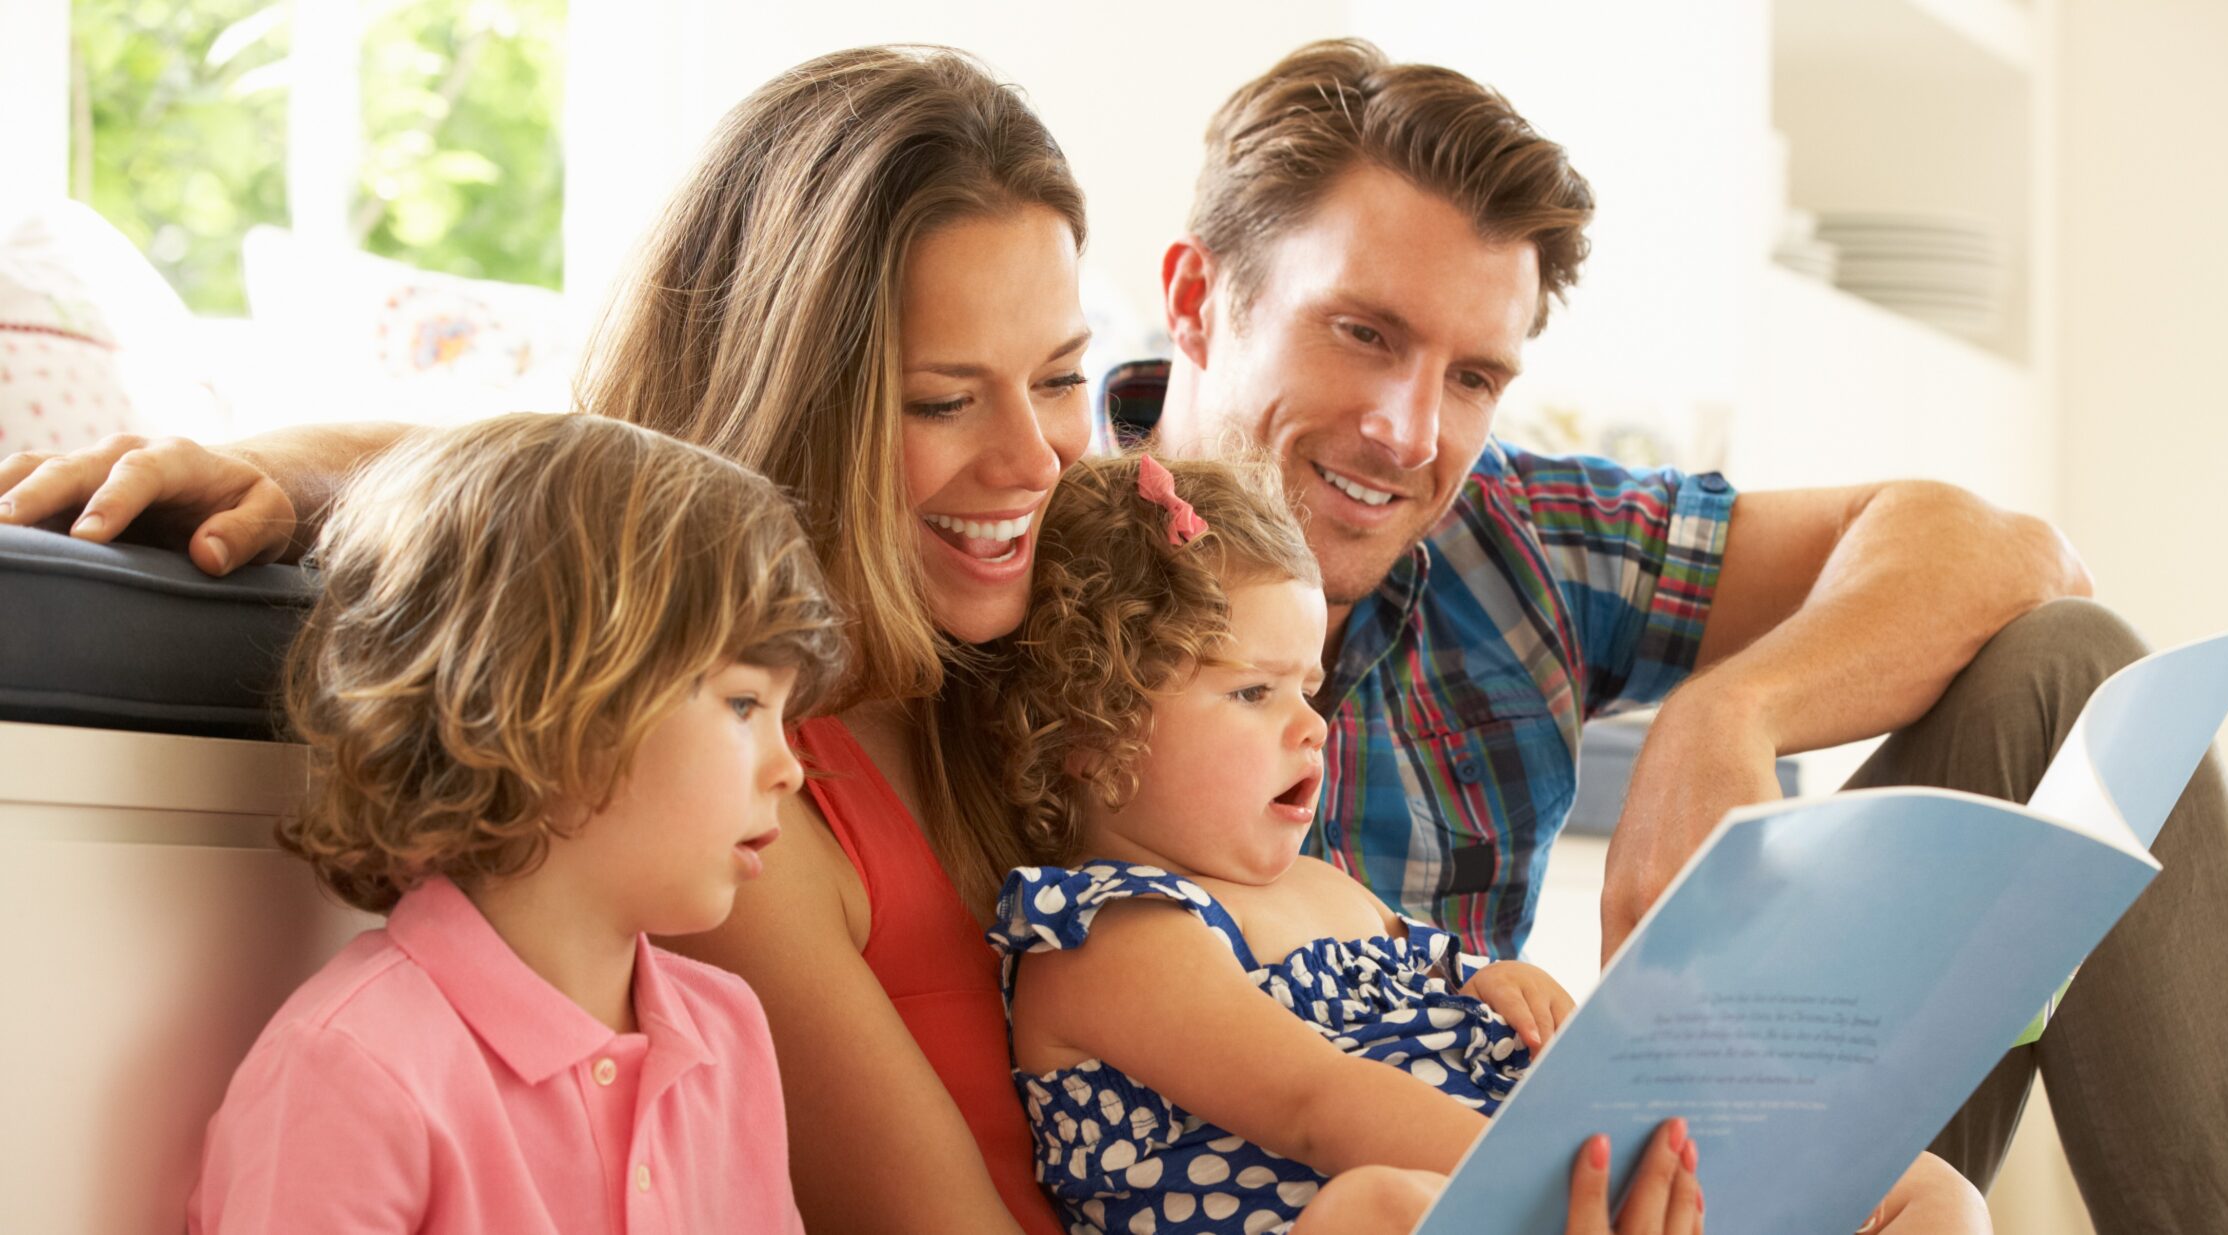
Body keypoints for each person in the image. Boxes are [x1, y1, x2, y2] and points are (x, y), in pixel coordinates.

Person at [5, 45, 1699, 1235]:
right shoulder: (732, 811)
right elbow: (608, 474)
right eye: (943, 401)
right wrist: (303, 472)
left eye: (1057, 378)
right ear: (796, 411)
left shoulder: (1040, 650)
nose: (1038, 463)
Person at [1103, 37, 2228, 1233]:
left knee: (2066, 664)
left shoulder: (1513, 542)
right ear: (1198, 296)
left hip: (1598, 1172)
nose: (1409, 428)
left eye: (1474, 376)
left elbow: (2010, 549)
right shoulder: (1030, 568)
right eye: (1362, 332)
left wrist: (1728, 712)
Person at [977, 452, 1986, 1235]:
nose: (1309, 725)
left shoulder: (1329, 887)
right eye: (1252, 692)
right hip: (1456, 1195)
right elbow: (1316, 1104)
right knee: (1373, 1206)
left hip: (1539, 1182)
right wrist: (1565, 1171)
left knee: (1919, 1181)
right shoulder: (1105, 936)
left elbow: (1465, 986)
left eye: (1309, 688)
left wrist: (1513, 989)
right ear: (1091, 734)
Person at [188, 412, 844, 1232]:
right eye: (745, 703)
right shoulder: (348, 1068)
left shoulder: (726, 1027)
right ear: (550, 707)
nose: (788, 767)